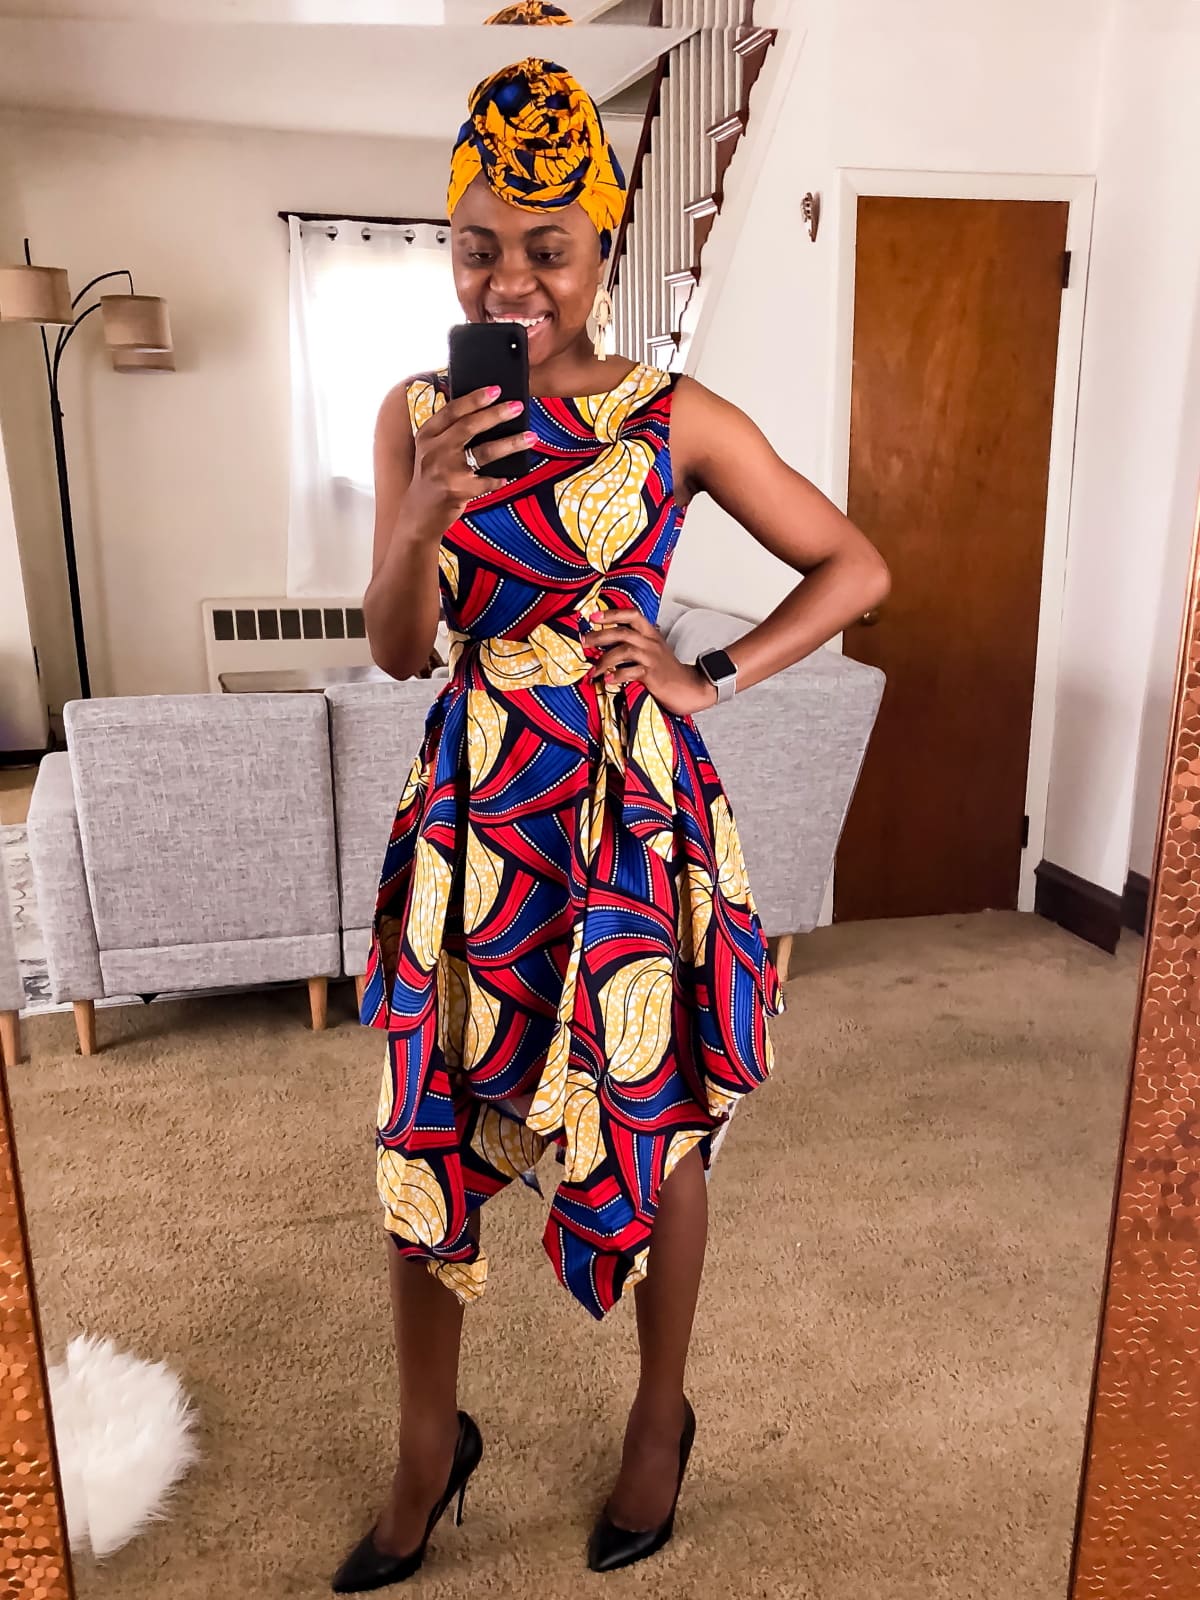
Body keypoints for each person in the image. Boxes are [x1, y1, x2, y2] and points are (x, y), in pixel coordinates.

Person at [332, 49, 889, 1596]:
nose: (511, 283)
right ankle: (427, 1451)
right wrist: (424, 511)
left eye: (548, 249)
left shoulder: (675, 416)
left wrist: (712, 675)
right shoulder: (415, 413)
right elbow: (396, 648)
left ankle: (659, 1422)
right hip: (473, 813)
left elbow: (853, 566)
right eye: (477, 248)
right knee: (427, 1119)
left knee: (654, 1119)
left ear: (605, 250)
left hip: (629, 817)